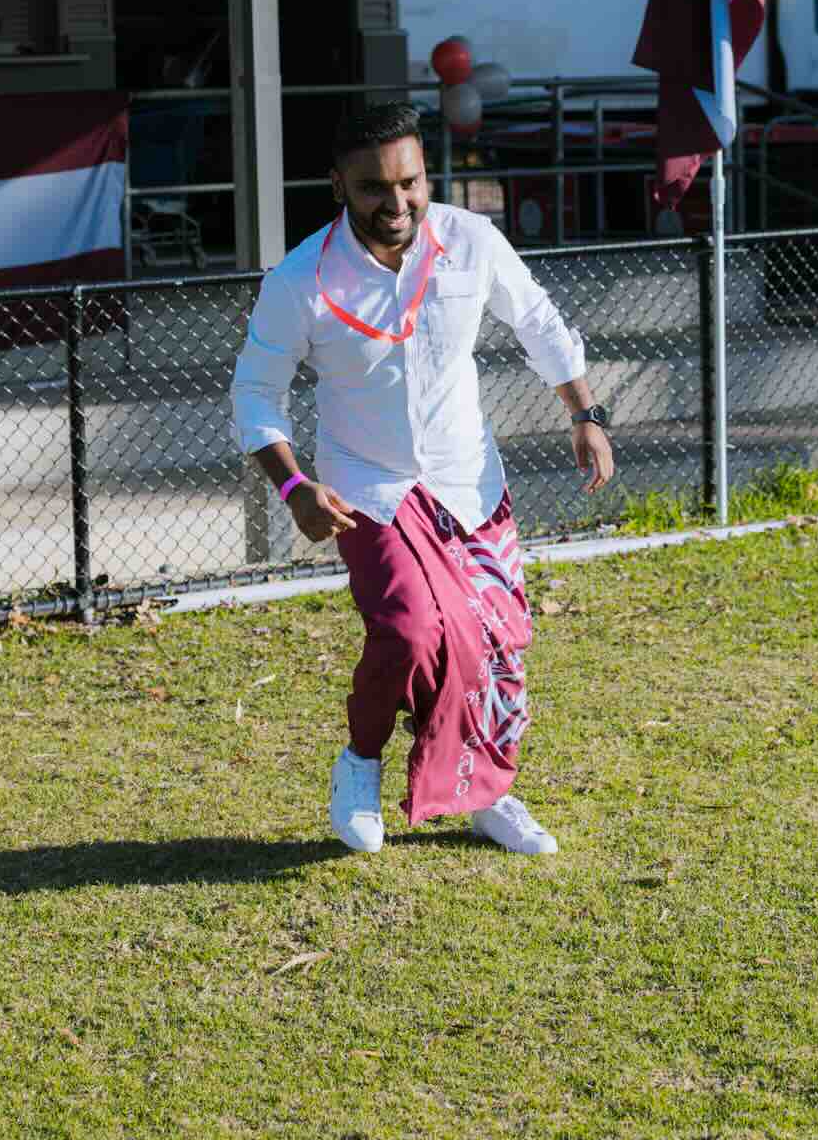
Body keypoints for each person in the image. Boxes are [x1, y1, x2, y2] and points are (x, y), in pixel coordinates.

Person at [230, 101, 615, 857]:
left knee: (493, 648)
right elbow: (252, 393)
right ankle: (360, 762)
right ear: (337, 183)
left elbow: (536, 319)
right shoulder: (300, 278)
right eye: (374, 187)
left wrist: (585, 412)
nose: (396, 202)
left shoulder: (470, 241)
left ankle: (488, 791)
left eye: (410, 182)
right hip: (366, 490)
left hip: (466, 483)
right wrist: (291, 485)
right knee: (409, 632)